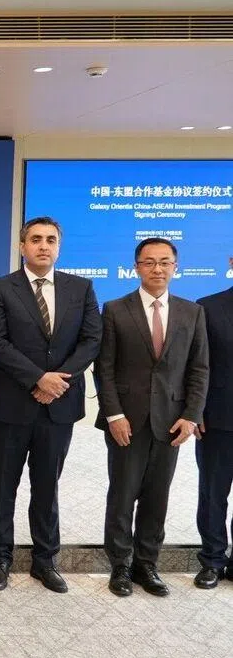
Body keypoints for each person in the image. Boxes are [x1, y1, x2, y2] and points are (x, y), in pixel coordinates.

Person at [0, 216, 102, 593]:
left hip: (58, 406)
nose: (43, 246)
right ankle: (0, 558)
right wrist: (38, 378)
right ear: (22, 246)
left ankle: (45, 560)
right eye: (35, 239)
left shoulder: (80, 288)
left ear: (58, 247)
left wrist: (56, 381)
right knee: (4, 485)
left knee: (47, 485)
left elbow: (91, 340)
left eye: (50, 240)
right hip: (11, 405)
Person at [97, 237, 209, 597]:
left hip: (171, 421)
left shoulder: (192, 312)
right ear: (137, 267)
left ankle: (147, 564)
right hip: (126, 421)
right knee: (123, 493)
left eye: (165, 262)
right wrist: (113, 413)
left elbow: (199, 369)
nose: (157, 269)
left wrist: (191, 415)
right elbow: (105, 368)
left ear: (175, 267)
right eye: (149, 262)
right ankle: (120, 566)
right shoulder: (115, 309)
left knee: (157, 495)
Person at [194, 258, 233, 588]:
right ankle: (212, 560)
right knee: (212, 494)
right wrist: (195, 410)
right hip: (218, 419)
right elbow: (197, 366)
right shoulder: (208, 307)